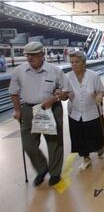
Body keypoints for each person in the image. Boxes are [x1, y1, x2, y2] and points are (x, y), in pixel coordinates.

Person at [9, 41, 72, 187]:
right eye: (27, 55)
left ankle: (55, 173)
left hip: (51, 109)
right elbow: (13, 93)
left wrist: (55, 98)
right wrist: (17, 110)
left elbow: (66, 92)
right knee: (28, 144)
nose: (30, 58)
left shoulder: (55, 70)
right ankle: (42, 168)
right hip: (28, 110)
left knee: (54, 142)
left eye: (33, 55)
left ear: (42, 54)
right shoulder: (19, 71)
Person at [66, 51, 104, 171]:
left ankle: (100, 148)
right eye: (72, 62)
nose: (74, 65)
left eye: (77, 62)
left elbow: (102, 90)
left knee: (95, 136)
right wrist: (62, 94)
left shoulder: (93, 76)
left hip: (92, 112)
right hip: (75, 112)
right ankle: (85, 158)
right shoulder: (68, 77)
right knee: (79, 137)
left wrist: (100, 96)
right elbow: (64, 94)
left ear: (84, 63)